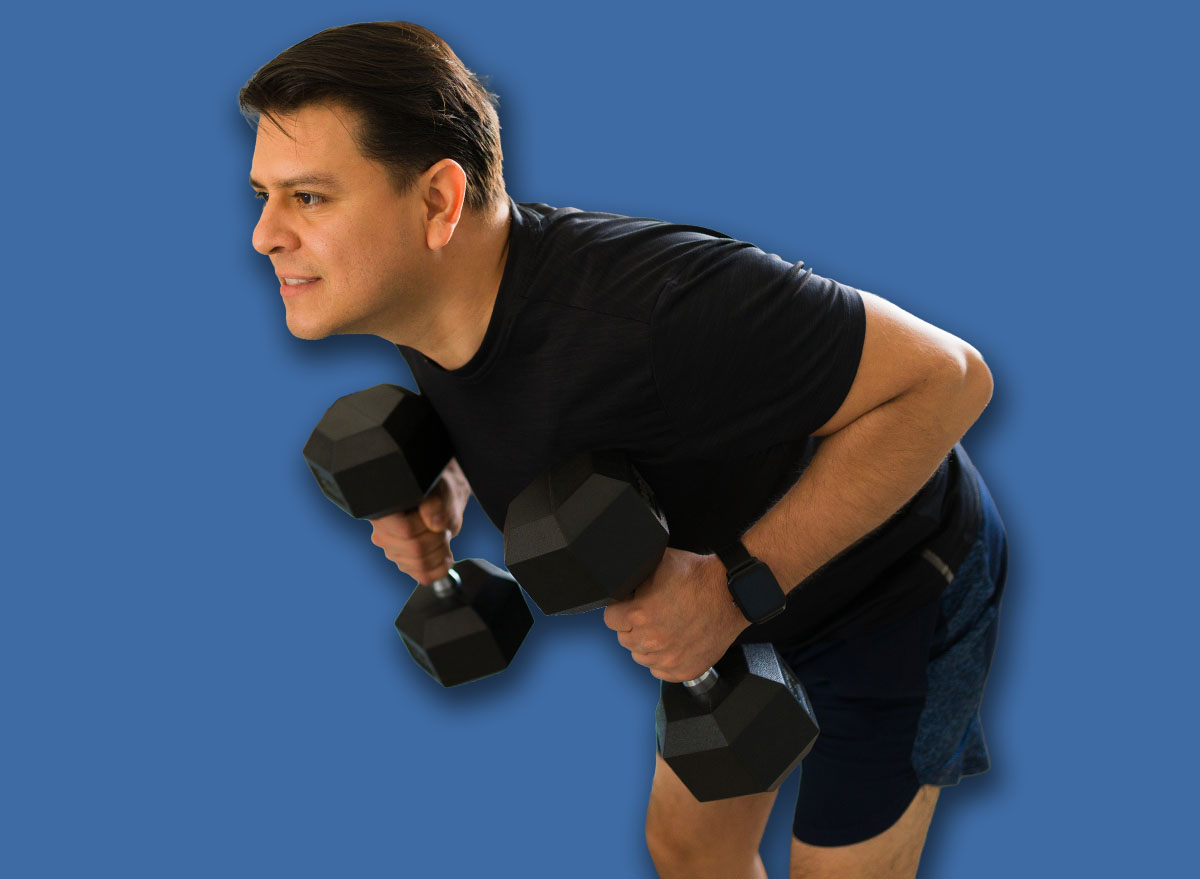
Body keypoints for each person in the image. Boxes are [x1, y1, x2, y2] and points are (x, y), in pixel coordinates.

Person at [241, 21, 1008, 879]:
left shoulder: (665, 311)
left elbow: (950, 381)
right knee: (687, 849)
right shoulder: (428, 298)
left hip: (892, 587)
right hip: (735, 598)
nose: (265, 233)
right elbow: (523, 387)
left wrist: (734, 587)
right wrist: (448, 473)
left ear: (437, 203)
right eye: (263, 194)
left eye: (308, 197)